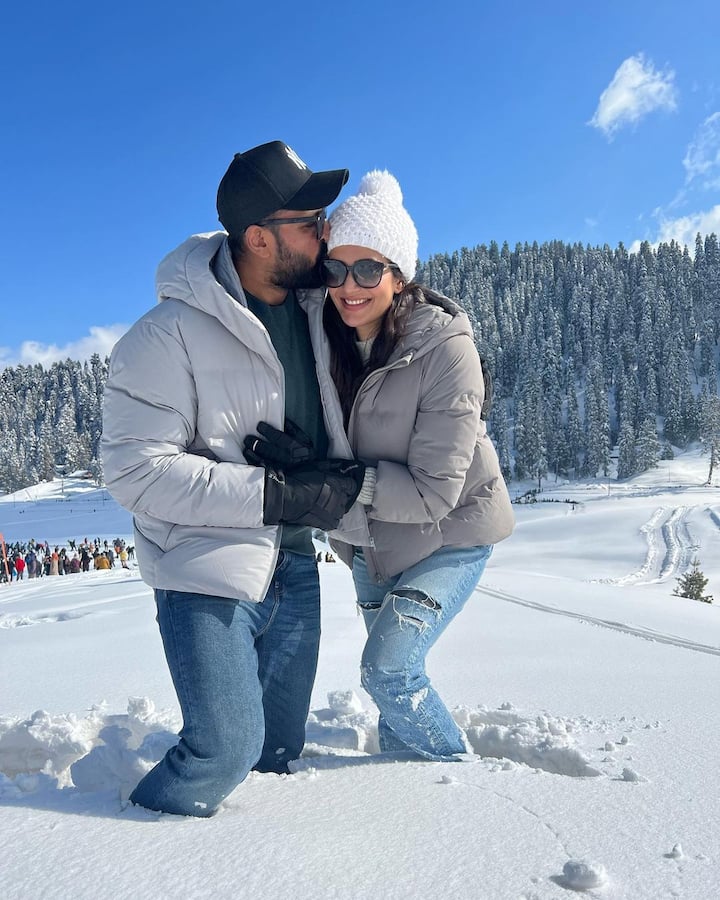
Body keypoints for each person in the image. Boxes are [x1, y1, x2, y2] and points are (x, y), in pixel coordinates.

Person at [101, 141, 367, 818]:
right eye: (309, 221)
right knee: (226, 749)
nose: (324, 232)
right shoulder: (164, 337)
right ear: (257, 237)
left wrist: (310, 470)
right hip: (204, 568)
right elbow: (135, 470)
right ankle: (119, 851)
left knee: (278, 752)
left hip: (295, 563)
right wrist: (273, 493)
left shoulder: (316, 312)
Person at [254, 171, 515, 761]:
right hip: (371, 540)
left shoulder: (447, 350)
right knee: (394, 699)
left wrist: (342, 486)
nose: (350, 285)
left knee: (388, 670)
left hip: (452, 534)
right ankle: (409, 786)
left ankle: (463, 774)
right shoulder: (324, 333)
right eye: (337, 268)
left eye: (369, 269)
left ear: (399, 276)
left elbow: (434, 495)